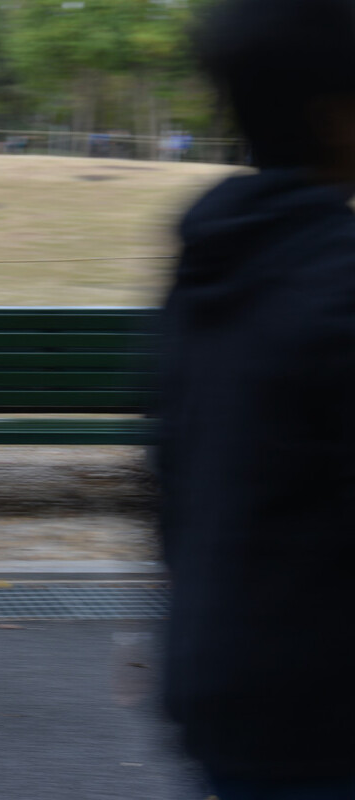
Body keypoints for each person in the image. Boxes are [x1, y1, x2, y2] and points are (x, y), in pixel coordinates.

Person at [157, 0, 355, 796]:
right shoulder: (336, 285)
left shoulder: (207, 265)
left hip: (217, 678)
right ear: (334, 117)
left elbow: (174, 476)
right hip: (319, 711)